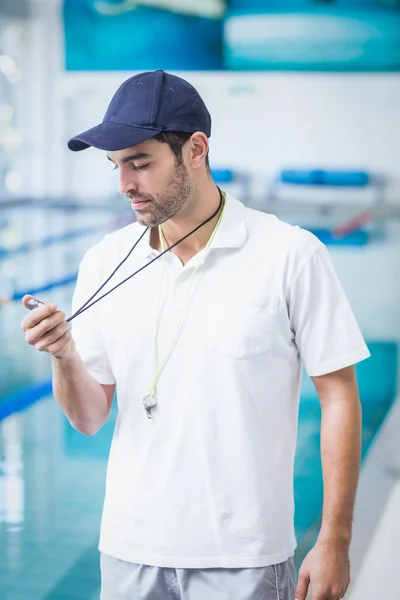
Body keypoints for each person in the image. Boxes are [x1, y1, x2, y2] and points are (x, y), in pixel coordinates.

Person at [21, 69, 370, 600]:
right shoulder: (103, 261)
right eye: (116, 167)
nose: (125, 185)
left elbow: (339, 395)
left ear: (196, 150)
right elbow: (90, 417)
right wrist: (64, 355)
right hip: (127, 551)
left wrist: (335, 538)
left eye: (140, 163)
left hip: (244, 558)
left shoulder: (289, 255)